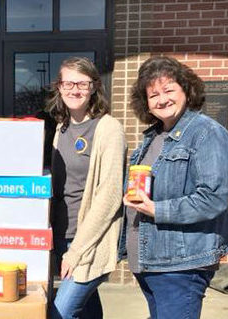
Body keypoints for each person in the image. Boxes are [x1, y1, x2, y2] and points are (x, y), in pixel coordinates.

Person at [122, 56, 228, 319]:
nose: (162, 99)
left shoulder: (206, 132)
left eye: (169, 90)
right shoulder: (153, 136)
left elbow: (214, 197)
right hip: (150, 263)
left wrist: (157, 209)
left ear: (186, 90)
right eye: (153, 94)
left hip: (180, 267)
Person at [46, 57, 126, 319]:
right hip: (62, 233)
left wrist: (76, 250)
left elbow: (110, 195)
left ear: (94, 87)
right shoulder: (62, 129)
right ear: (59, 87)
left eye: (82, 83)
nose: (74, 89)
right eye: (68, 83)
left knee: (60, 312)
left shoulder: (108, 128)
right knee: (88, 310)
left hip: (89, 240)